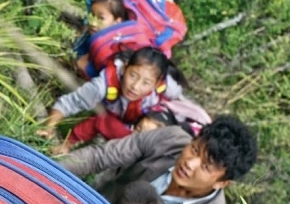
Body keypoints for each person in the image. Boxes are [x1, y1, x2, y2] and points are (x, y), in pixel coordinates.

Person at [58, 115, 258, 204]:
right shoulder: (170, 138)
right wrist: (46, 170)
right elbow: (99, 157)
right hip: (91, 200)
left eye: (205, 167)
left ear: (221, 183)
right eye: (195, 149)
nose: (190, 163)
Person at [39, 47, 187, 153]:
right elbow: (69, 103)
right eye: (133, 75)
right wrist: (49, 126)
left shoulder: (168, 88)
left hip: (144, 124)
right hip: (122, 122)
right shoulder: (103, 84)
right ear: (124, 68)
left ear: (157, 83)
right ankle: (67, 145)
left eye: (146, 83)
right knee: (102, 120)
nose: (135, 86)